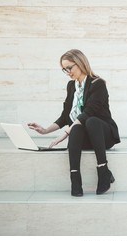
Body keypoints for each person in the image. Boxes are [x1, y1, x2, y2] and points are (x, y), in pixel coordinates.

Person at [28, 49, 120, 196]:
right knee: (76, 128)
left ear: (80, 63)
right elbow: (66, 116)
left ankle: (103, 171)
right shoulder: (72, 86)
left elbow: (87, 112)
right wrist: (45, 130)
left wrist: (64, 135)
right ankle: (75, 179)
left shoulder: (98, 84)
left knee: (91, 121)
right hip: (86, 137)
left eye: (69, 68)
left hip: (103, 135)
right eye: (64, 70)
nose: (68, 72)